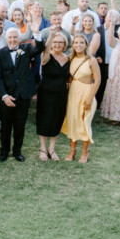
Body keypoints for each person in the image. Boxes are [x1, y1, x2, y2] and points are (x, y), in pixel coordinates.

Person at [0, 21, 44, 162]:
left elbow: (40, 47)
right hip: (7, 95)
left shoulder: (26, 48)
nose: (12, 39)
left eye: (15, 37)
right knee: (5, 126)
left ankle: (17, 152)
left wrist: (37, 32)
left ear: (19, 38)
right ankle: (4, 151)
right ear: (6, 38)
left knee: (20, 125)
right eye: (10, 37)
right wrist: (4, 96)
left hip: (23, 94)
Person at [62, 34, 101, 163]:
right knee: (73, 121)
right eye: (76, 43)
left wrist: (90, 98)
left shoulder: (91, 60)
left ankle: (85, 153)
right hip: (73, 92)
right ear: (72, 45)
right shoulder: (71, 59)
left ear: (86, 45)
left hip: (86, 92)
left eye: (81, 43)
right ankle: (72, 151)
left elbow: (98, 81)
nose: (78, 45)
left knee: (84, 122)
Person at [35, 31, 70, 161]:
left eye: (60, 42)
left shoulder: (68, 58)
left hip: (61, 94)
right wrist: (51, 37)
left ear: (65, 44)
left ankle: (52, 148)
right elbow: (46, 50)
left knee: (57, 119)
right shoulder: (46, 56)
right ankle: (43, 148)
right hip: (46, 93)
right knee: (45, 119)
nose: (57, 44)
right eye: (55, 42)